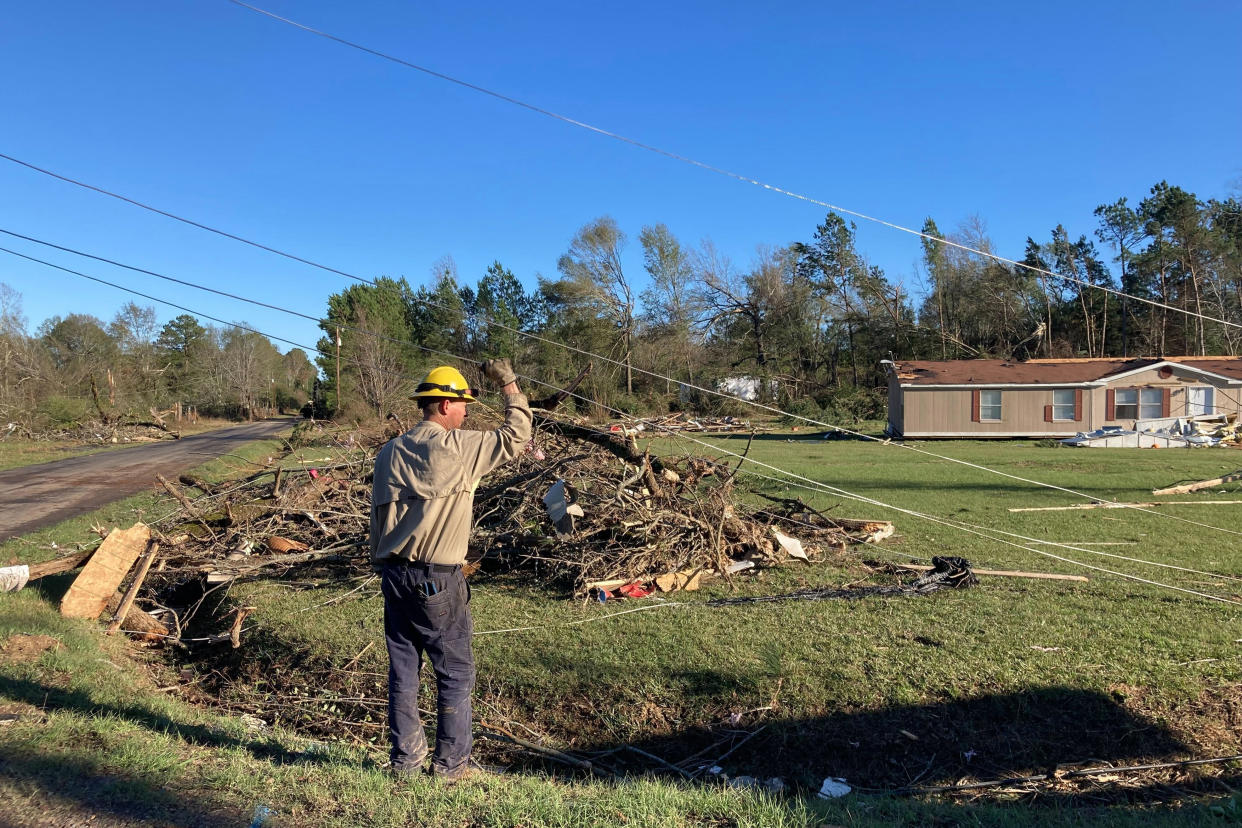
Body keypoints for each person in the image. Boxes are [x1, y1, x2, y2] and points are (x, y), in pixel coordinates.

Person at [370, 359, 531, 781]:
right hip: (437, 580)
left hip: (393, 576)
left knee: (403, 670)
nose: (466, 413)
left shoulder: (389, 452)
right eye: (462, 405)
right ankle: (450, 766)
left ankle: (405, 761)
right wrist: (508, 383)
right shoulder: (458, 447)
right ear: (443, 405)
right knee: (455, 672)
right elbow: (517, 434)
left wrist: (383, 563)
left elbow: (378, 518)